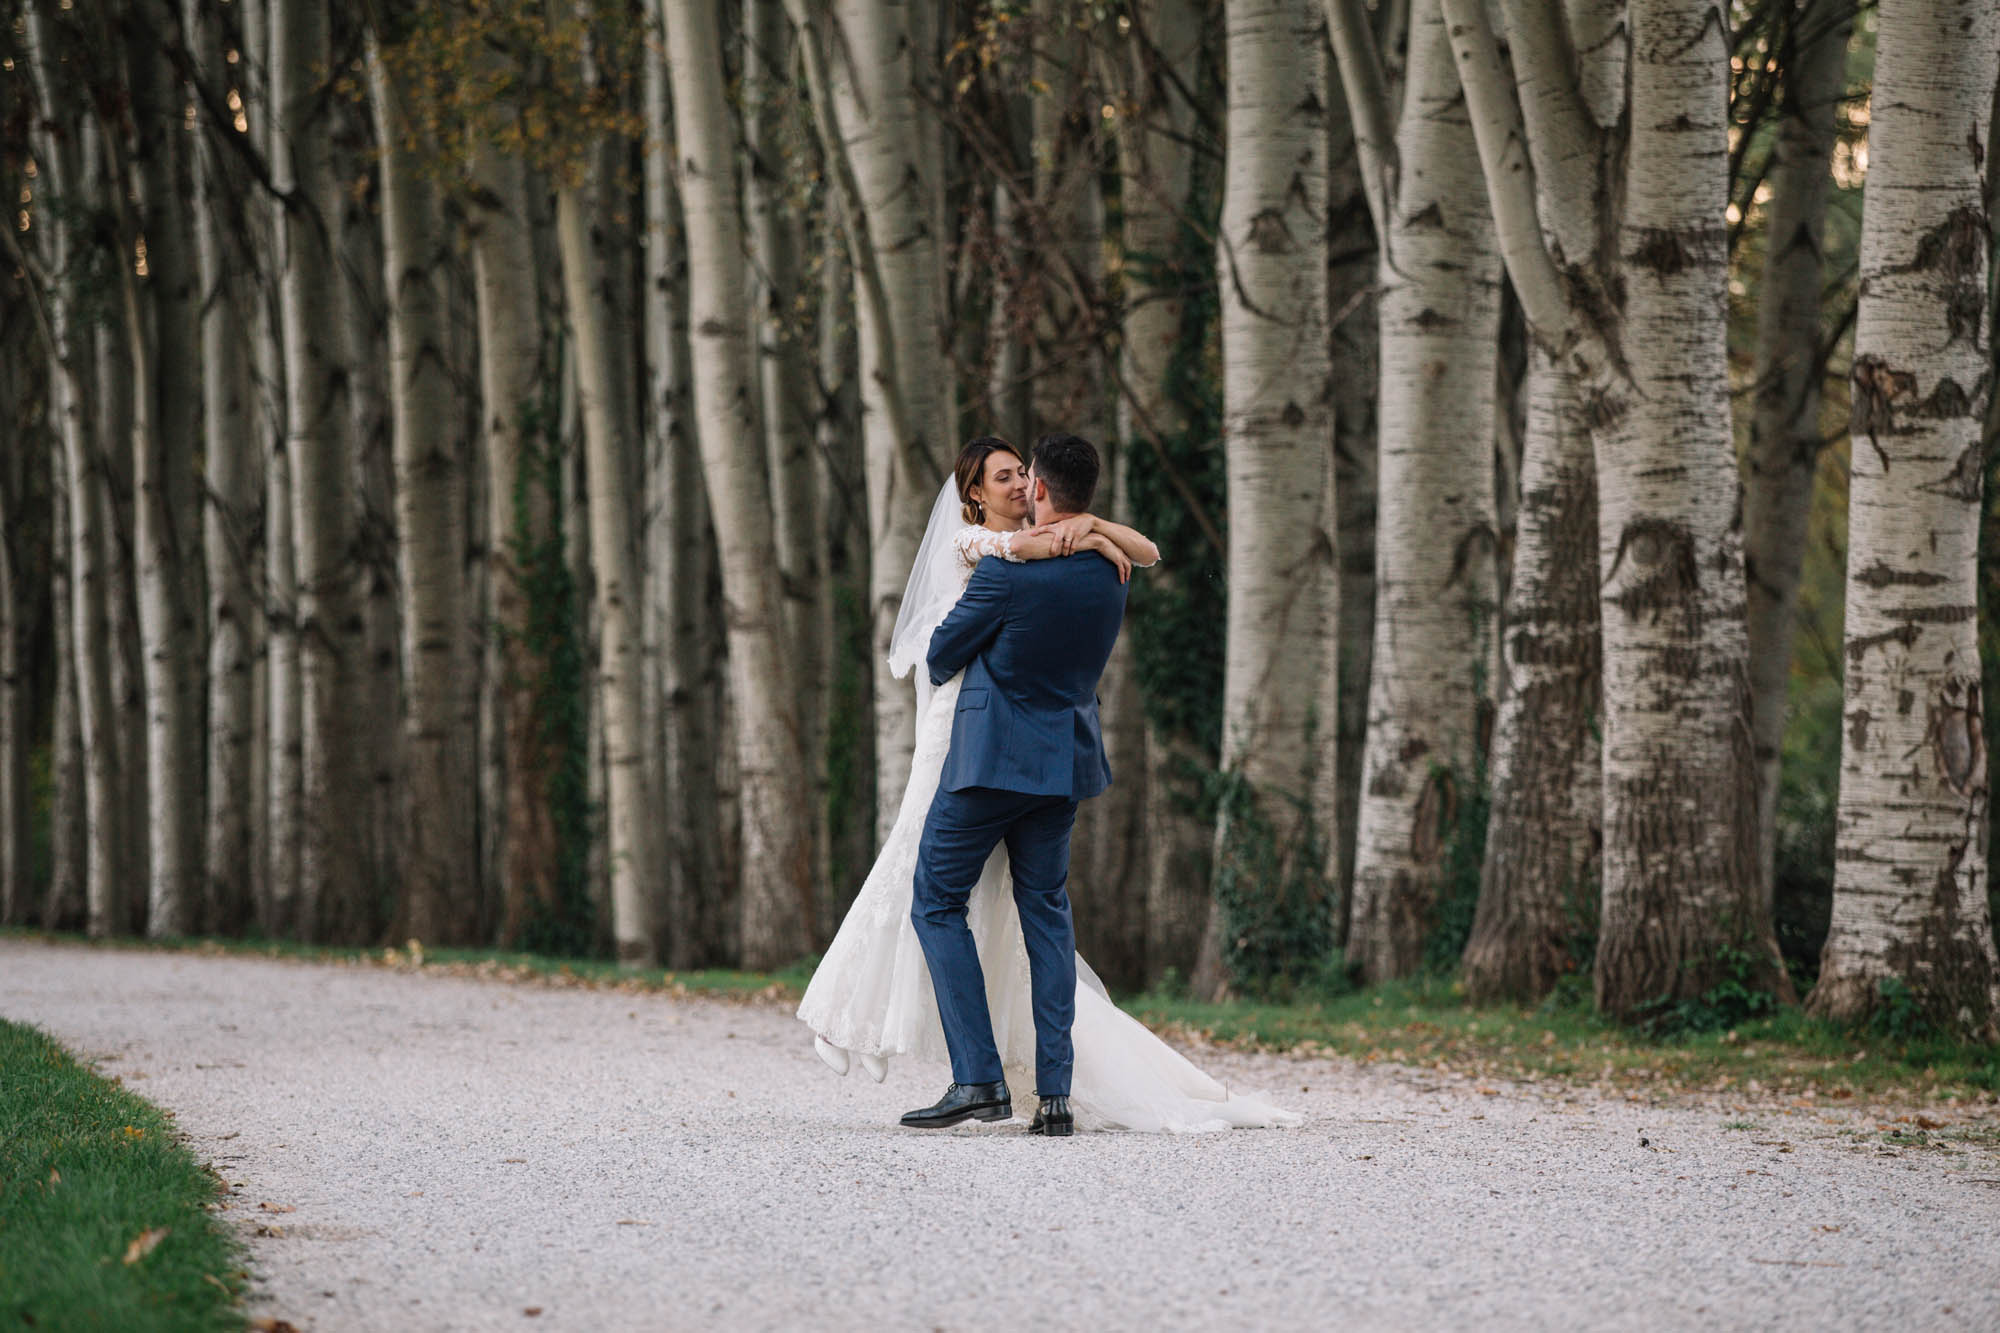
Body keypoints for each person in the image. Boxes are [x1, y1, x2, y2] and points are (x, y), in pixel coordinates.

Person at [796, 434, 1299, 1133]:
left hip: (987, 764)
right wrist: (1089, 529)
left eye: (1023, 476)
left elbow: (941, 654)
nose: (1018, 485)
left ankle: (978, 1079)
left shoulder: (1006, 574)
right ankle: (1055, 1096)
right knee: (1046, 918)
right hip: (1061, 766)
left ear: (1038, 490)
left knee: (937, 901)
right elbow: (1141, 552)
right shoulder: (1107, 571)